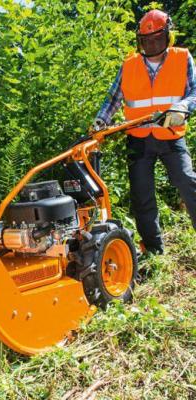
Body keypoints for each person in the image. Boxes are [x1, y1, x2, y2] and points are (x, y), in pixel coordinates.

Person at [92, 9, 196, 254]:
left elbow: (194, 92)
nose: (151, 45)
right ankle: (153, 249)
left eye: (157, 39)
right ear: (140, 41)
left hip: (171, 136)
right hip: (138, 139)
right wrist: (100, 122)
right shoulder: (130, 65)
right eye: (146, 41)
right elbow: (113, 99)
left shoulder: (182, 58)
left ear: (167, 37)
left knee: (186, 181)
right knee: (142, 194)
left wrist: (182, 106)